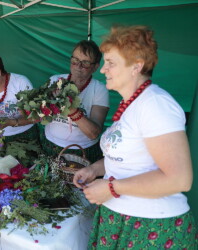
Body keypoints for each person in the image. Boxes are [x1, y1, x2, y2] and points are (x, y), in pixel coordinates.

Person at [73, 25, 197, 249]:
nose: (103, 69)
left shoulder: (155, 104)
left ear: (136, 67)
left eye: (111, 63)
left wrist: (110, 188)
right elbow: (129, 158)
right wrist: (94, 170)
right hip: (122, 215)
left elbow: (179, 179)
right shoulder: (131, 104)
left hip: (151, 226)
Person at [42, 40, 109, 163]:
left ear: (95, 67)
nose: (78, 66)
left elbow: (93, 133)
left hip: (82, 151)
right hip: (50, 144)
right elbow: (41, 116)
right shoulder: (55, 80)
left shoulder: (99, 89)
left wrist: (72, 110)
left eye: (85, 63)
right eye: (75, 60)